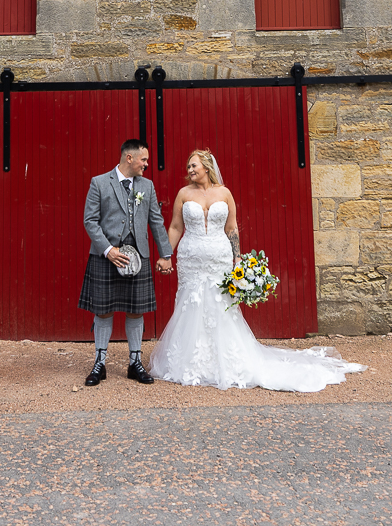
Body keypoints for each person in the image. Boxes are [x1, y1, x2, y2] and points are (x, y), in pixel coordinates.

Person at [147, 149, 363, 392]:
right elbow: (176, 226)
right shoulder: (183, 194)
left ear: (206, 167)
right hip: (191, 257)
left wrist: (238, 258)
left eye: (193, 166)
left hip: (219, 257)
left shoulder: (224, 193)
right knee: (191, 302)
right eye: (188, 167)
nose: (190, 170)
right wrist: (166, 255)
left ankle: (226, 358)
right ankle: (188, 360)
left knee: (220, 303)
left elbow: (231, 228)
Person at [79, 138, 174, 386]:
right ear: (129, 158)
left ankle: (135, 363)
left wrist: (165, 255)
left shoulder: (148, 186)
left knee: (136, 310)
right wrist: (108, 250)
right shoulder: (99, 183)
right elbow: (90, 221)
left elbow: (156, 221)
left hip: (139, 257)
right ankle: (99, 363)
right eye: (144, 159)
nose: (147, 164)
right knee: (104, 309)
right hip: (107, 256)